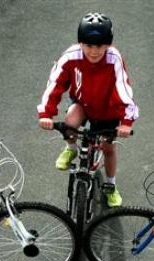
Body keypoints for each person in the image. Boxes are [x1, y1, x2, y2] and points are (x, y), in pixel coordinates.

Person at [37, 12, 138, 207]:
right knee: (69, 125)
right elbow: (55, 84)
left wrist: (126, 122)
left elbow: (125, 90)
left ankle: (110, 185)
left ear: (108, 44)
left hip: (108, 111)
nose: (94, 51)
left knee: (109, 149)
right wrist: (46, 114)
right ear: (80, 43)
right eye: (88, 45)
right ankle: (71, 149)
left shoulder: (113, 59)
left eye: (100, 45)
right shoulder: (70, 56)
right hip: (83, 104)